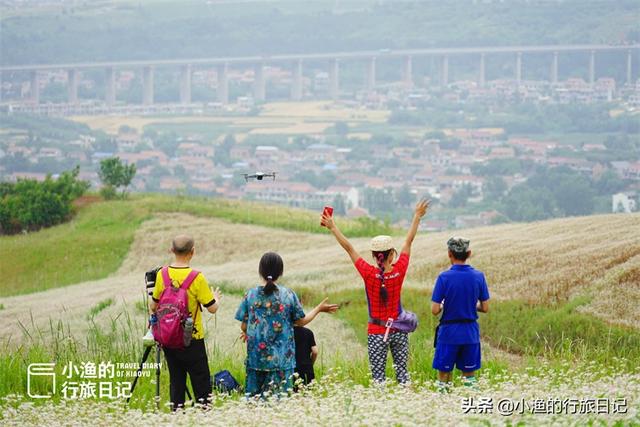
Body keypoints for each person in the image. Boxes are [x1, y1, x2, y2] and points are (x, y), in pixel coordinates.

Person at [321, 199, 429, 384]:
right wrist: (417, 216)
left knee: (378, 379)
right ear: (392, 254)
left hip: (376, 332)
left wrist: (332, 227)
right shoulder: (399, 270)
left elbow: (349, 248)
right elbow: (409, 241)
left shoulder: (369, 273)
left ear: (373, 255)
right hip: (398, 329)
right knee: (403, 375)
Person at [235, 252, 338, 398]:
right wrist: (318, 309)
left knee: (254, 403)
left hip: (256, 360)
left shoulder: (250, 295)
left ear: (261, 271)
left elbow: (244, 327)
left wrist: (251, 331)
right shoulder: (288, 295)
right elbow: (301, 322)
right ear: (280, 272)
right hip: (282, 361)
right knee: (279, 403)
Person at [149, 235, 222, 409]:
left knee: (176, 383)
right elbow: (212, 308)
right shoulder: (197, 277)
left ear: (172, 251)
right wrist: (216, 298)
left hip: (169, 339)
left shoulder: (162, 274)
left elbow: (153, 306)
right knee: (201, 383)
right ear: (193, 252)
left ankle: (177, 417)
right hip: (193, 339)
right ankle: (204, 417)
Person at [431, 236, 490, 392]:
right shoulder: (479, 276)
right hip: (470, 332)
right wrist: (471, 304)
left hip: (449, 332)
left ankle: (442, 406)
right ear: (469, 253)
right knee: (469, 375)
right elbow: (485, 307)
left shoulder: (444, 277)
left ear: (449, 253)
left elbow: (435, 310)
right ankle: (472, 406)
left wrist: (445, 304)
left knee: (443, 375)